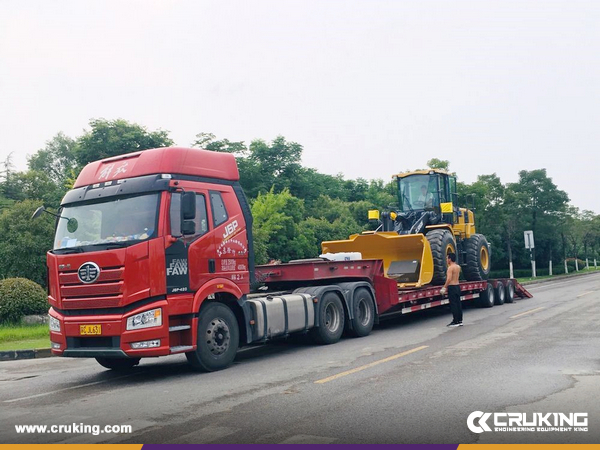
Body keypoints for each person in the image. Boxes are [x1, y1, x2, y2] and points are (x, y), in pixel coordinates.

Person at [440, 252, 462, 327]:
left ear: (450, 259)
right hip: (457, 286)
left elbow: (449, 279)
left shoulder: (450, 268)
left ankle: (455, 321)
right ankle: (460, 320)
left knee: (453, 304)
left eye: (447, 258)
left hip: (452, 287)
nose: (446, 260)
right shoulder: (458, 267)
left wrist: (444, 287)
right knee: (458, 304)